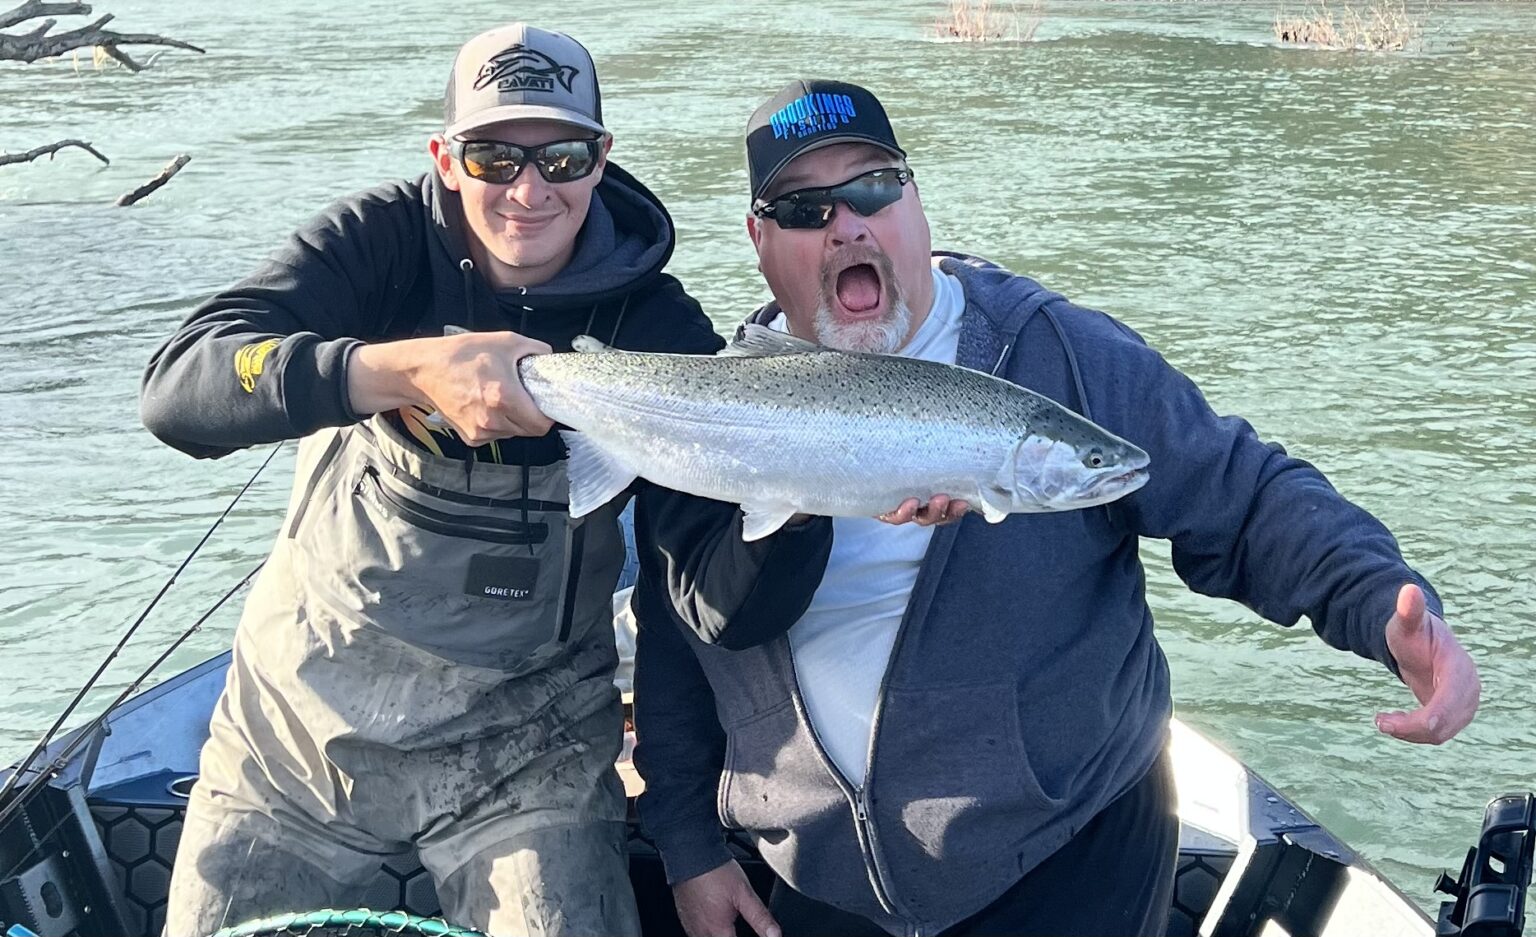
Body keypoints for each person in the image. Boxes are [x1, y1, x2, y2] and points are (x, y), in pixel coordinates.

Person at [629, 78, 1482, 937]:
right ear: (758, 239)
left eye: (875, 187)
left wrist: (1381, 606)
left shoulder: (1058, 355)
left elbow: (1245, 494)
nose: (848, 225)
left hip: (1068, 856)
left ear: (916, 202)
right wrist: (689, 846)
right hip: (825, 878)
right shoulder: (707, 405)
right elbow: (676, 631)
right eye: (804, 208)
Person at [139, 23, 725, 937]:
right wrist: (399, 371)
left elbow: (699, 587)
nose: (528, 191)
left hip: (530, 746)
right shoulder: (377, 245)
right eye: (493, 158)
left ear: (601, 161)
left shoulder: (656, 322)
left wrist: (822, 504)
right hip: (299, 731)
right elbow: (181, 387)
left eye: (562, 159)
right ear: (445, 159)